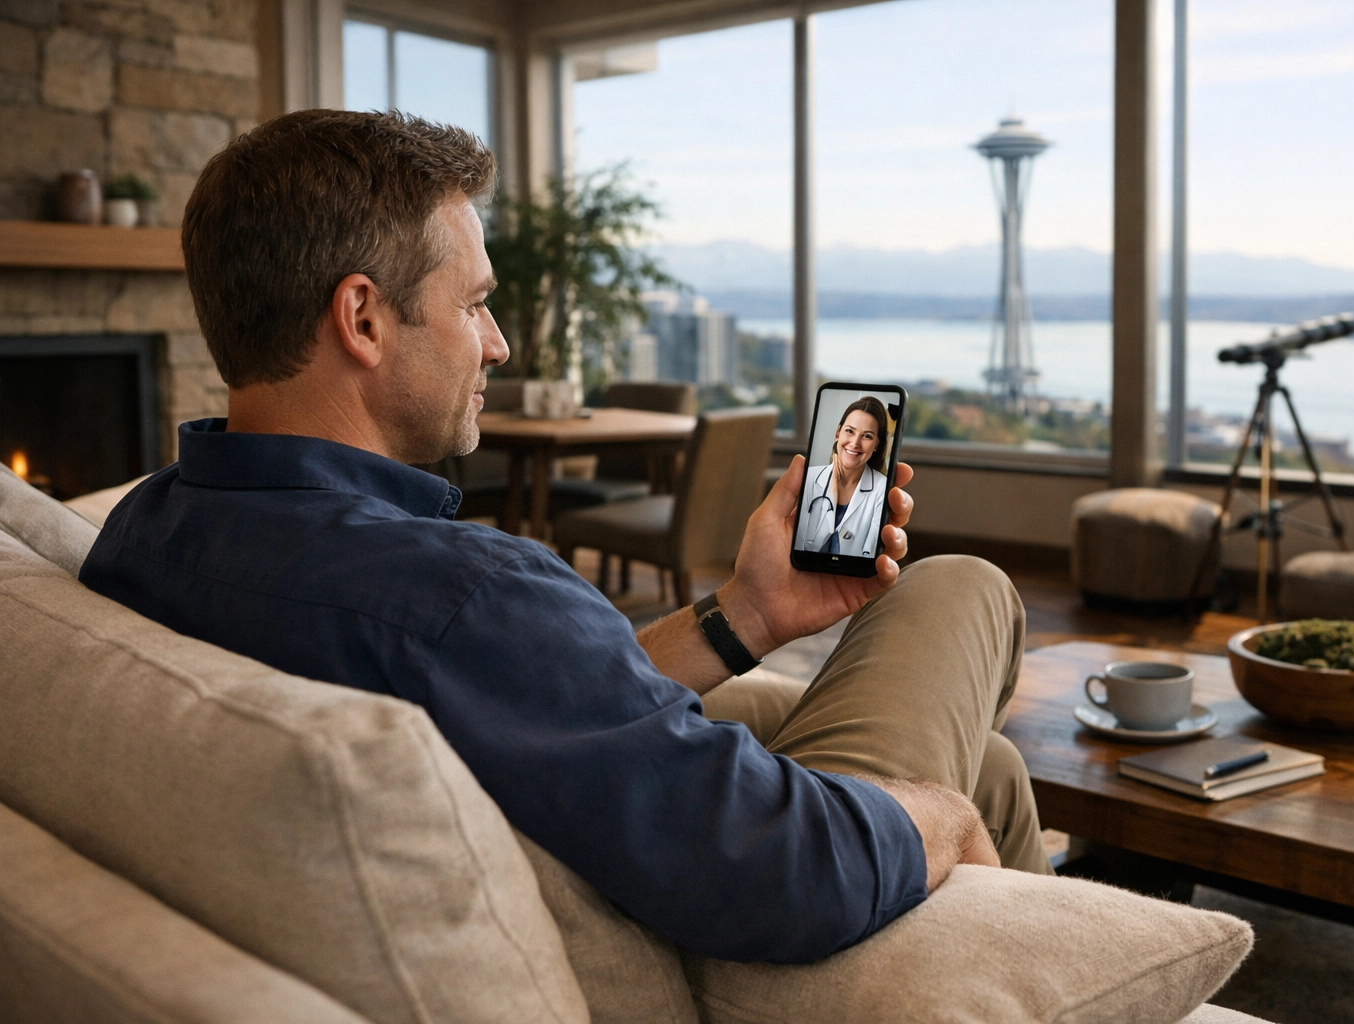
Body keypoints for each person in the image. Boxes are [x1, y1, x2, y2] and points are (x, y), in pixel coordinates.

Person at [80, 110, 1052, 966]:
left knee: (996, 765)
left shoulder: (145, 529)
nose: (497, 342)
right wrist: (941, 820)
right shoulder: (463, 597)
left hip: (579, 819)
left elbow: (534, 700)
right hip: (743, 925)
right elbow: (782, 866)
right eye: (472, 305)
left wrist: (748, 612)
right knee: (962, 592)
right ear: (364, 319)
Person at [798, 396, 889, 557]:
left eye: (867, 436)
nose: (855, 443)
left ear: (876, 444)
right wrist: (832, 491)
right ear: (838, 433)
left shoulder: (882, 487)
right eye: (849, 431)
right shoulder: (810, 478)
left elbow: (870, 552)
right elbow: (802, 544)